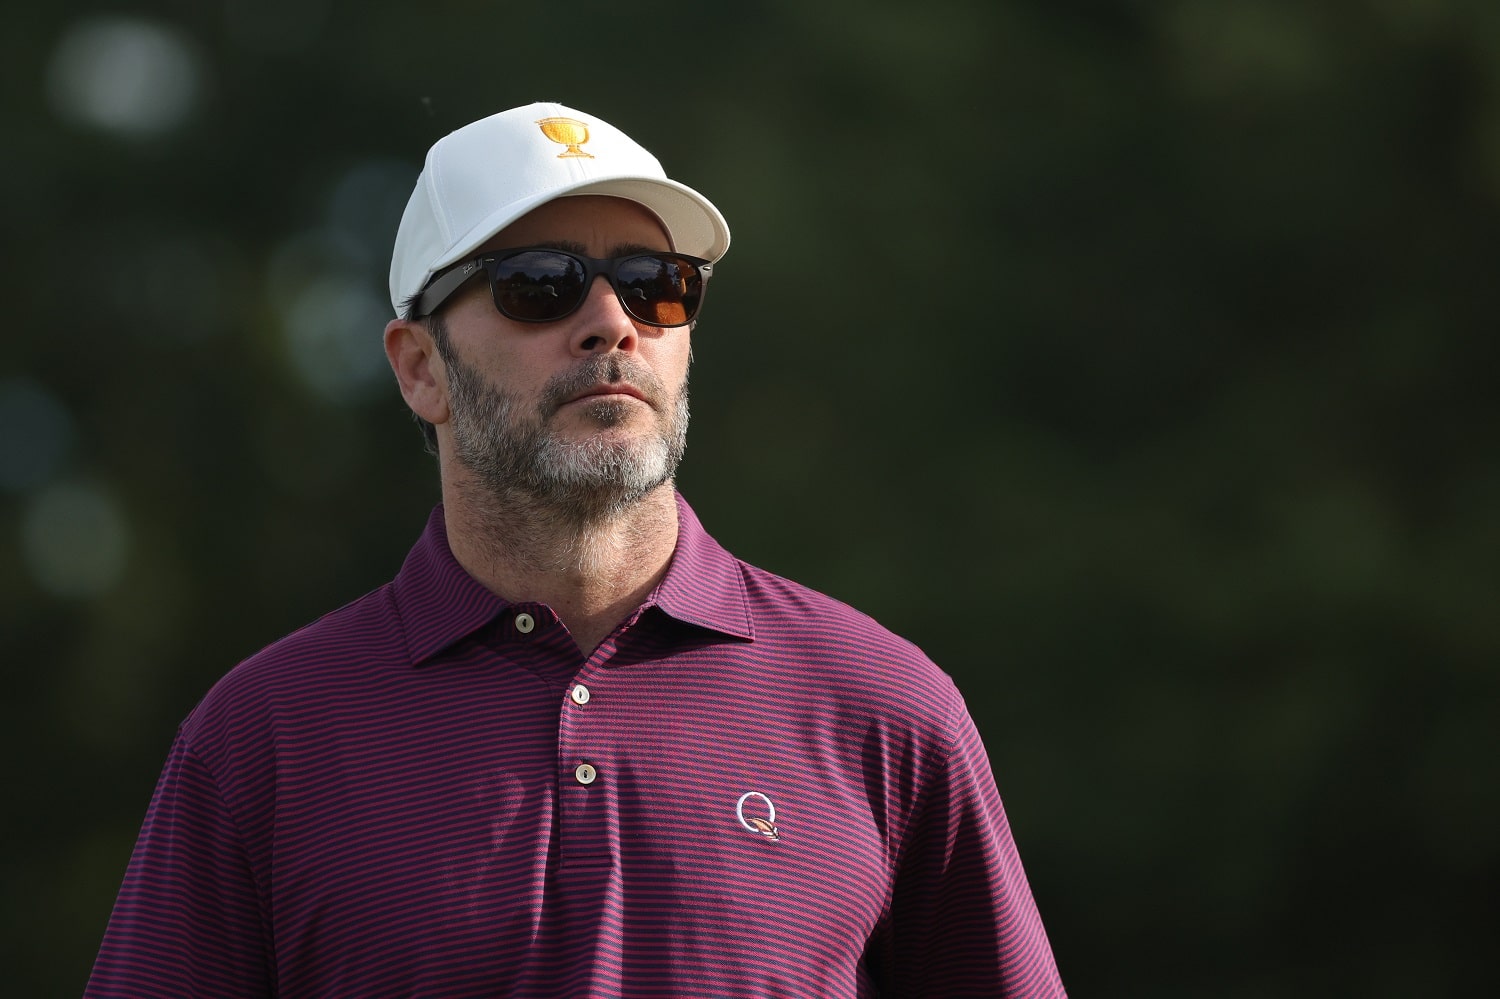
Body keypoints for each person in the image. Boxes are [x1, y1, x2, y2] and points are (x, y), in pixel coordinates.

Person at [85, 102, 1066, 997]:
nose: (611, 325)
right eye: (538, 286)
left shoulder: (882, 709)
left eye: (656, 286)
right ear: (420, 368)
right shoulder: (264, 740)